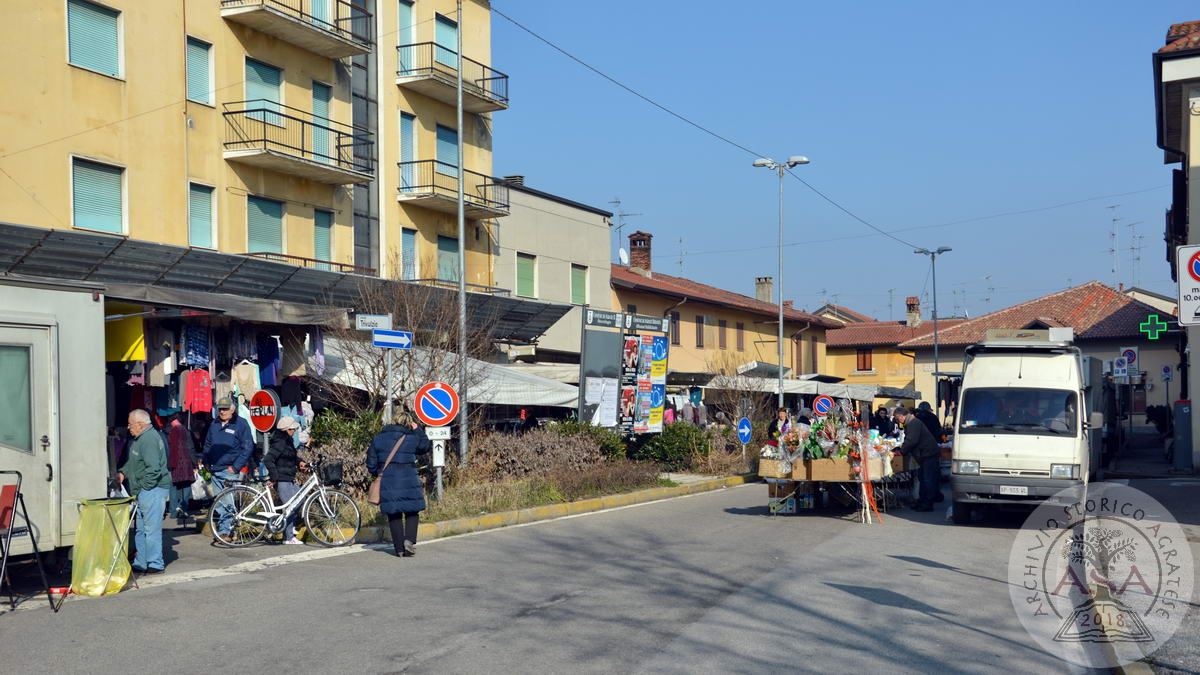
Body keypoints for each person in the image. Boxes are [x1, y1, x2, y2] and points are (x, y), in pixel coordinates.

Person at [366, 410, 432, 558]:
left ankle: (399, 550)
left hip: (388, 481)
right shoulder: (412, 438)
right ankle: (409, 540)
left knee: (394, 513)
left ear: (393, 421)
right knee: (412, 511)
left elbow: (370, 462)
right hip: (409, 479)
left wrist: (379, 473)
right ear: (408, 423)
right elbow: (425, 446)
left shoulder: (379, 438)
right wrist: (418, 429)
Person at [118, 409, 172, 574]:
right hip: (145, 491)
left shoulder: (148, 439)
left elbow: (154, 469)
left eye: (130, 424)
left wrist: (144, 487)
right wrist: (123, 473)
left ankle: (155, 563)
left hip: (152, 490)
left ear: (140, 424)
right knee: (141, 529)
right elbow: (134, 462)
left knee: (151, 529)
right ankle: (141, 561)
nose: (128, 427)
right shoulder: (140, 439)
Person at [202, 397, 255, 538]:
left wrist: (236, 467)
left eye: (225, 409)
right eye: (220, 409)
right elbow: (207, 444)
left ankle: (226, 531)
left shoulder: (241, 424)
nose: (222, 411)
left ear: (232, 409)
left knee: (227, 502)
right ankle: (226, 529)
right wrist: (206, 460)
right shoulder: (214, 424)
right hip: (215, 469)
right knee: (219, 503)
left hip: (229, 470)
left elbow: (248, 447)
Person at [263, 416, 305, 545]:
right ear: (286, 429)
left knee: (301, 498)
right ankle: (288, 537)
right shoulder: (280, 442)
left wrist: (300, 462)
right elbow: (268, 459)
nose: (294, 431)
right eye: (292, 429)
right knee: (290, 507)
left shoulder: (287, 441)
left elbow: (289, 457)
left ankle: (289, 528)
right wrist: (275, 477)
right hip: (282, 479)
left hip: (289, 478)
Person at [894, 406, 940, 512]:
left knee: (927, 479)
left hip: (928, 454)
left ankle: (927, 503)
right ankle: (922, 501)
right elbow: (910, 440)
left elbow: (911, 441)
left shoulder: (913, 423)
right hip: (925, 454)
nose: (897, 420)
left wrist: (901, 452)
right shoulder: (911, 422)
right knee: (923, 478)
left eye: (897, 418)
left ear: (901, 416)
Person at [163, 409, 197, 525]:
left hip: (171, 462)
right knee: (186, 485)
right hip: (185, 462)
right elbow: (190, 448)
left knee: (173, 486)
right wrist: (195, 463)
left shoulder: (166, 431)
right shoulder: (185, 431)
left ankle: (173, 511)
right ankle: (183, 508)